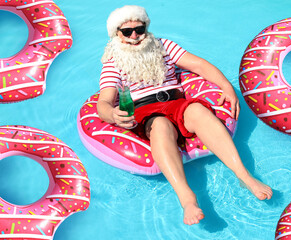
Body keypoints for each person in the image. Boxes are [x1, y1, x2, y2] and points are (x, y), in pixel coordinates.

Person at [97, 5, 273, 225]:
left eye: (139, 29)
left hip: (175, 100)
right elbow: (103, 102)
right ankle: (187, 198)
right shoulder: (114, 62)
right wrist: (112, 114)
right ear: (117, 34)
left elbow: (199, 65)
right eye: (127, 31)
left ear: (146, 28)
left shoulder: (163, 46)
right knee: (160, 126)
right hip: (145, 110)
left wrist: (227, 87)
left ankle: (245, 177)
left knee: (198, 110)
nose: (134, 36)